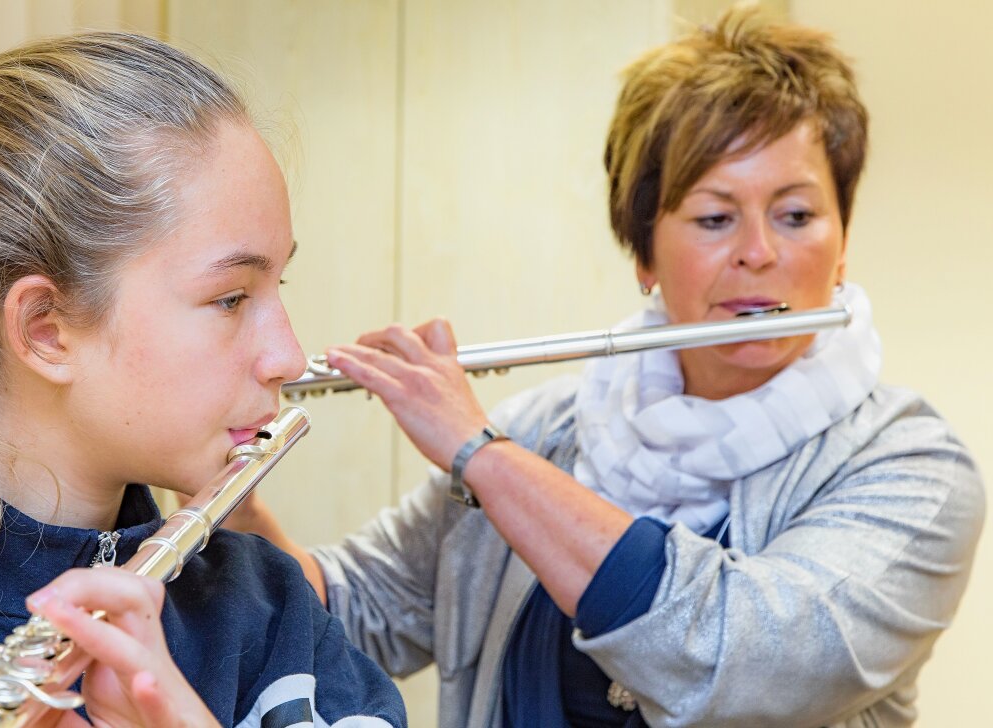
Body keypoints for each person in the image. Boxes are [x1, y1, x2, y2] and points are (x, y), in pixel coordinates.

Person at [230, 7, 985, 727]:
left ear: (842, 240)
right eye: (716, 217)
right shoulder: (550, 430)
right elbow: (358, 608)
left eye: (795, 215)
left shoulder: (912, 469)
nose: (760, 251)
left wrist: (480, 454)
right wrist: (227, 480)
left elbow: (739, 663)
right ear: (643, 255)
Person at [0, 33, 405, 728]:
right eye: (232, 298)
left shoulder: (270, 617)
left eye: (277, 284)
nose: (289, 357)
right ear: (46, 329)